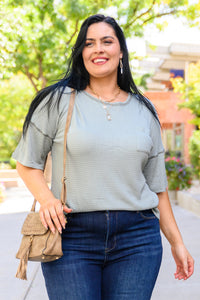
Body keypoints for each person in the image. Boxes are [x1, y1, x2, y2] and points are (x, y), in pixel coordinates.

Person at [13, 14, 194, 300]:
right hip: (71, 237)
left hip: (138, 239)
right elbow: (26, 162)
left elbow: (157, 188)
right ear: (81, 53)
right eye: (89, 43)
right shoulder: (57, 101)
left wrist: (177, 242)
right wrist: (47, 200)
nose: (98, 49)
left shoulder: (144, 111)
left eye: (107, 41)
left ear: (120, 51)